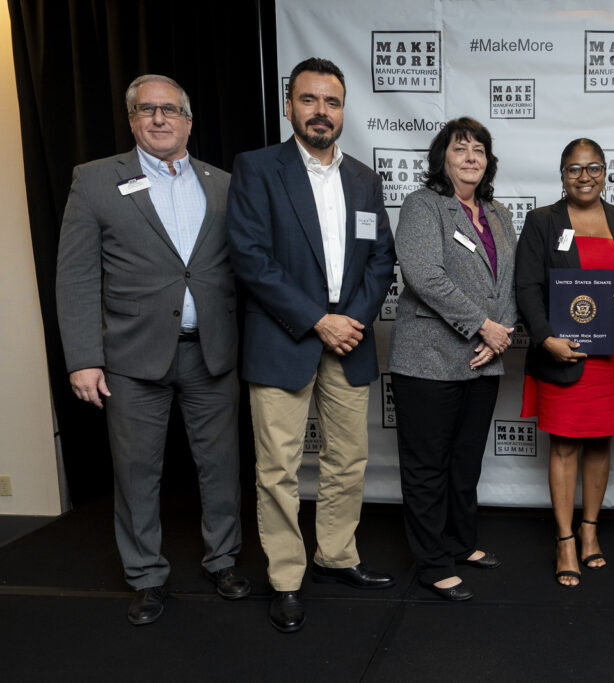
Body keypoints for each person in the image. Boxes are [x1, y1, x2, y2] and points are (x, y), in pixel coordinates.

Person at [55, 74, 249, 625]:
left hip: (212, 353)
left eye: (170, 110)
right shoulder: (94, 182)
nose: (159, 119)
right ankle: (145, 575)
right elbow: (74, 277)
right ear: (133, 120)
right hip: (131, 360)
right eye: (147, 110)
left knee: (220, 466)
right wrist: (83, 358)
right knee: (137, 471)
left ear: (189, 120)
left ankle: (224, 560)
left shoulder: (225, 184)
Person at [226, 57, 396, 633]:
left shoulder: (365, 179)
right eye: (309, 100)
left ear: (343, 110)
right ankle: (286, 577)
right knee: (277, 468)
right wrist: (317, 320)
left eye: (332, 102)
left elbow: (380, 259)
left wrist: (351, 320)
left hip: (349, 342)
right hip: (282, 340)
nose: (321, 112)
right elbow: (250, 257)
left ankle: (336, 556)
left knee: (348, 460)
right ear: (289, 104)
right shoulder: (256, 169)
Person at [388, 117, 517, 601]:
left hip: (484, 360)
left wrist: (499, 334)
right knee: (427, 466)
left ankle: (461, 543)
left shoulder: (497, 213)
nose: (471, 158)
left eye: (479, 150)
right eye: (461, 149)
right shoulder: (425, 206)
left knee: (465, 462)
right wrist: (482, 325)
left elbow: (508, 282)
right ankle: (431, 562)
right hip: (427, 359)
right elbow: (424, 275)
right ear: (443, 157)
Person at [515, 138, 614, 587]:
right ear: (561, 174)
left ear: (605, 172)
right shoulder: (542, 222)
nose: (584, 177)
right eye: (574, 168)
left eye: (594, 167)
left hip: (609, 356)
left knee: (601, 443)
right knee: (564, 446)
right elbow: (526, 288)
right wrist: (547, 338)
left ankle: (591, 533)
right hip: (562, 354)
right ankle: (564, 539)